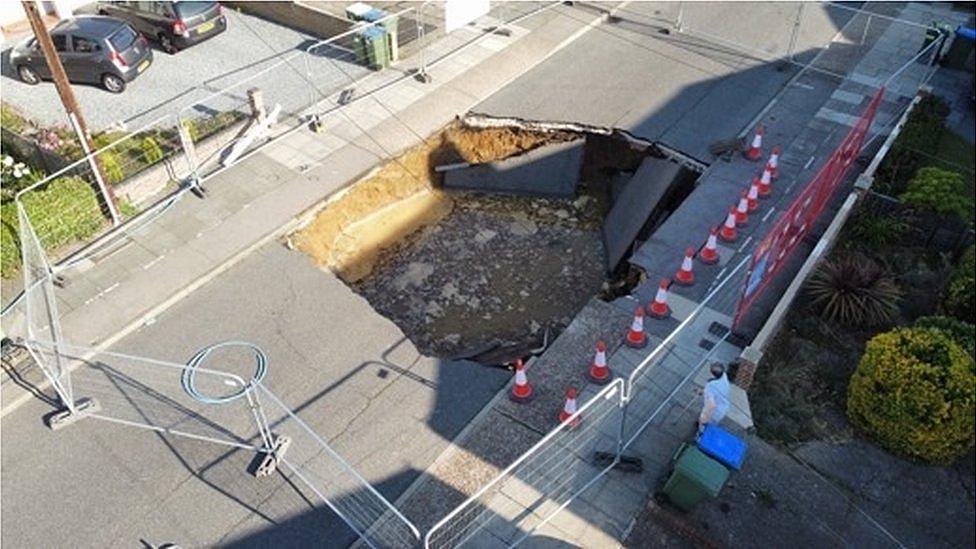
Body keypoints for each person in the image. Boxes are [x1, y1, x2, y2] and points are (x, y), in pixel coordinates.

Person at [698, 362, 731, 433]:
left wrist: (704, 416)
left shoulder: (711, 386)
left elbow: (712, 405)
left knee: (704, 426)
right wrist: (703, 392)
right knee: (711, 425)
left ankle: (700, 435)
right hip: (723, 407)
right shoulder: (724, 376)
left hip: (715, 411)